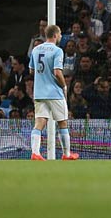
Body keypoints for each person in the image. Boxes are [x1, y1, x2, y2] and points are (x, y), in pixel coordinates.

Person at [29, 25, 79, 161]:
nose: (61, 36)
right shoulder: (57, 51)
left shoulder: (35, 50)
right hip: (54, 92)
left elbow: (32, 71)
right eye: (61, 34)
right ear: (56, 35)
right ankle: (66, 154)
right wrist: (64, 85)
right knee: (62, 122)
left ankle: (35, 153)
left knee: (39, 123)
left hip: (39, 93)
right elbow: (57, 72)